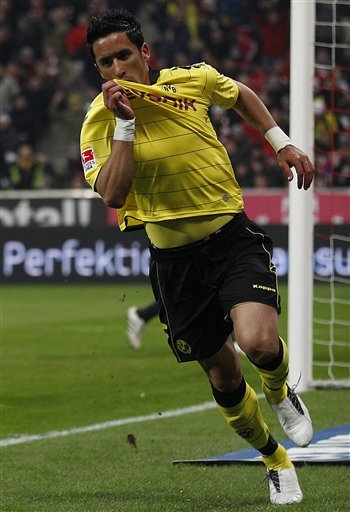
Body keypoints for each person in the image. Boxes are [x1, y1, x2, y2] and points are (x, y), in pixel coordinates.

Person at [81, 9, 315, 505]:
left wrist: (282, 142)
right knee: (224, 377)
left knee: (259, 345)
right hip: (174, 265)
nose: (117, 68)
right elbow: (114, 194)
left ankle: (278, 390)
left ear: (144, 54)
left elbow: (242, 97)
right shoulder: (97, 123)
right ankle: (275, 459)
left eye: (124, 55)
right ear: (98, 70)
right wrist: (124, 127)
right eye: (106, 63)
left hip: (230, 239)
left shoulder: (194, 79)